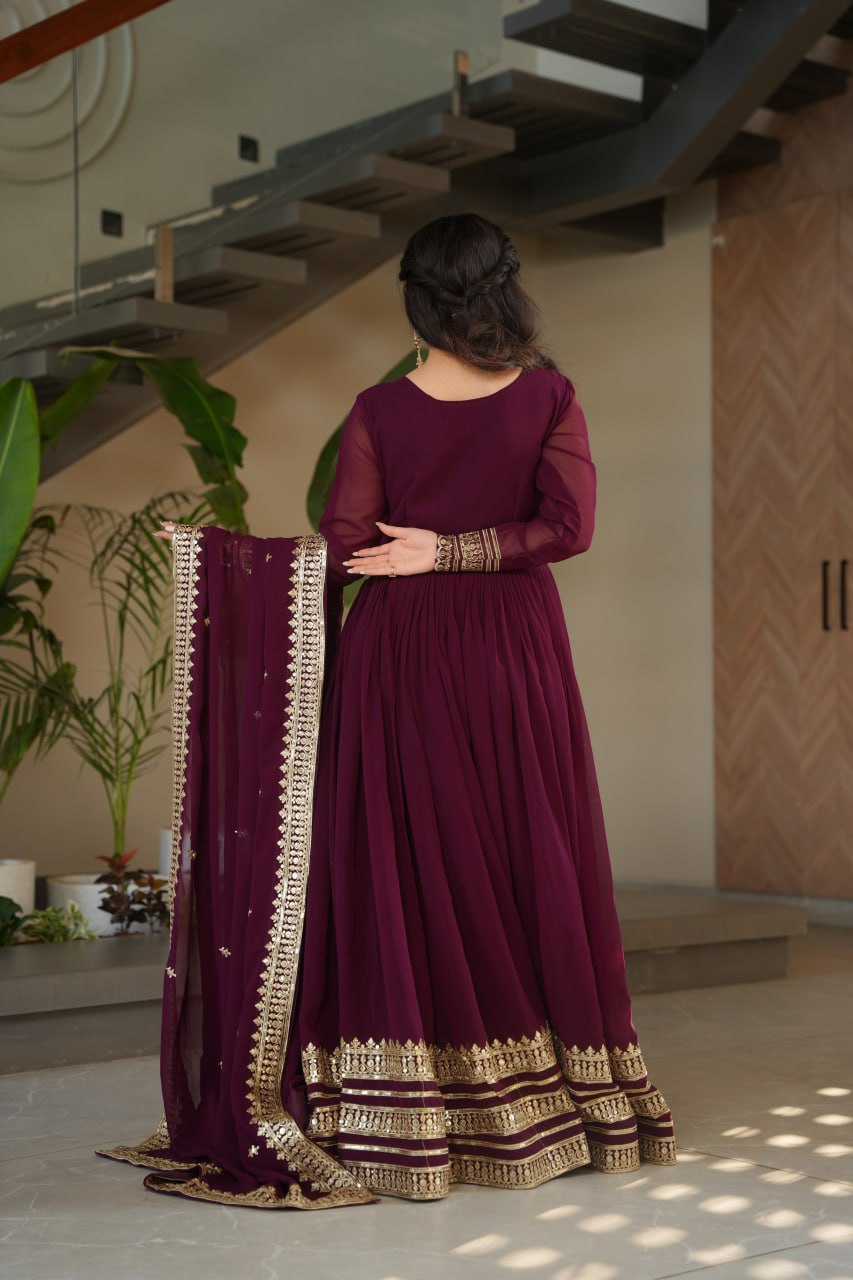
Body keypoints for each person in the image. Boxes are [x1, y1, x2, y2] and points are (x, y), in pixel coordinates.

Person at [102, 211, 675, 1210]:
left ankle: (407, 1106)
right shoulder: (548, 393)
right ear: (504, 288)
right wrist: (461, 551)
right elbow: (566, 527)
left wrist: (227, 565)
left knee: (406, 858)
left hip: (400, 652)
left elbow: (338, 547)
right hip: (510, 650)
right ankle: (543, 1101)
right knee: (516, 845)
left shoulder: (380, 408)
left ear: (414, 299)